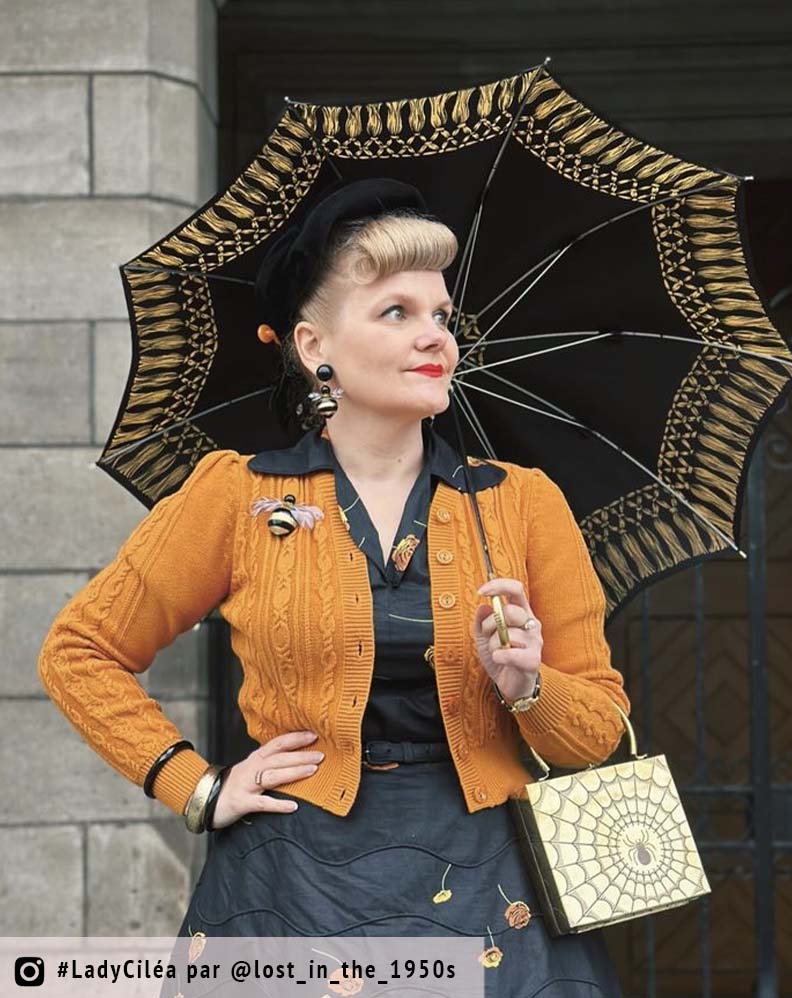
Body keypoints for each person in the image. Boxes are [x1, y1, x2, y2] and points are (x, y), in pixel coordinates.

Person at [37, 179, 630, 996]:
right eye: (397, 313)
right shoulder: (236, 497)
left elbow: (596, 731)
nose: (437, 339)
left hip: (494, 895)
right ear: (315, 346)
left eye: (442, 316)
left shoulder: (521, 502)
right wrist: (199, 787)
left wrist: (530, 687)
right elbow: (80, 651)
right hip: (290, 890)